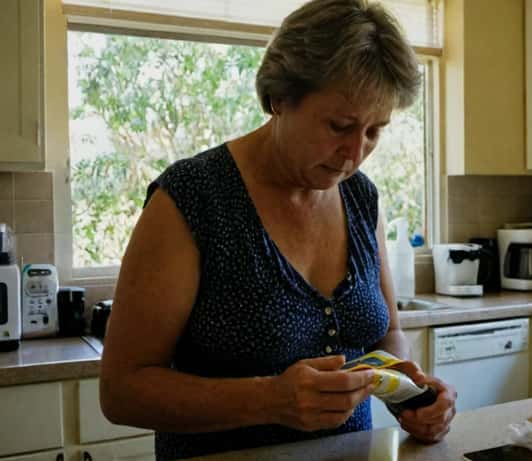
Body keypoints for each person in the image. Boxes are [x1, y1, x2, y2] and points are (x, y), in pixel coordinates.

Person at [98, 0, 457, 459]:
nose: (355, 153)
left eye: (374, 132)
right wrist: (269, 399)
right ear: (279, 98)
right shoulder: (191, 198)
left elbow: (383, 336)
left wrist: (411, 396)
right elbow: (122, 391)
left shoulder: (361, 197)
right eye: (339, 126)